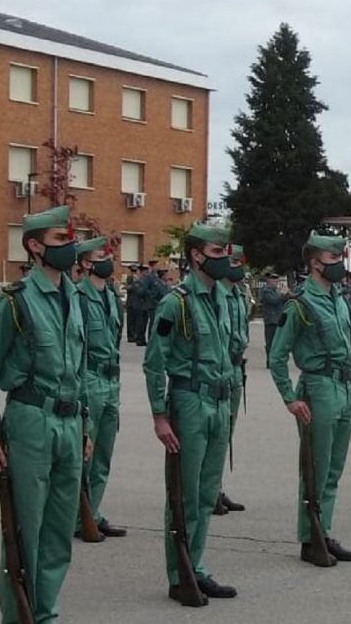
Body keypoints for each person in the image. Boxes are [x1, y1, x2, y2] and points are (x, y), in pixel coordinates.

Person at [0, 205, 88, 622]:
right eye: (61, 241)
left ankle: (44, 612)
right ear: (34, 246)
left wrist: (85, 424)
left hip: (68, 420)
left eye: (70, 239)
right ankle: (18, 617)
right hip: (30, 419)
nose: (70, 247)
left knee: (60, 533)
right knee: (25, 530)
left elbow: (80, 368)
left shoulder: (73, 297)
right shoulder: (14, 302)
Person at [143, 222, 238, 602]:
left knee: (206, 492)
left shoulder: (223, 298)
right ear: (197, 255)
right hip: (189, 401)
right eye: (217, 254)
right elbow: (154, 361)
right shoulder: (176, 302)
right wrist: (159, 414)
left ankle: (195, 566)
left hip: (218, 400)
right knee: (184, 494)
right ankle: (179, 572)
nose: (224, 260)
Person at [268, 233, 351, 564]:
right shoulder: (300, 304)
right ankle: (309, 539)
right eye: (332, 260)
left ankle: (324, 530)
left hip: (342, 386)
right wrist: (289, 397)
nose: (338, 265)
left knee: (334, 468)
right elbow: (276, 356)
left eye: (340, 259)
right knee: (316, 469)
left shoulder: (339, 297)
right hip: (318, 387)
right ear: (314, 263)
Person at [73, 237, 128, 540]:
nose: (108, 259)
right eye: (100, 255)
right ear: (84, 263)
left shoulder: (110, 296)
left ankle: (92, 512)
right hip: (90, 379)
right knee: (85, 453)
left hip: (111, 381)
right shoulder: (78, 297)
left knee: (104, 453)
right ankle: (77, 517)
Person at [214, 245, 250, 516]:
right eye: (234, 261)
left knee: (226, 433)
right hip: (219, 370)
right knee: (214, 435)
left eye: (241, 261)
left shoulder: (238, 294)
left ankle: (216, 486)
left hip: (237, 368)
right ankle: (208, 491)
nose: (238, 266)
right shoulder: (216, 295)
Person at [260, 273, 286, 357]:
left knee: (276, 341)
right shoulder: (266, 291)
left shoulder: (275, 291)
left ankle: (273, 358)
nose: (276, 282)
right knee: (270, 341)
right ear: (269, 280)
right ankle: (270, 359)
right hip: (271, 319)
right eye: (274, 280)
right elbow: (273, 301)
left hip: (277, 319)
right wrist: (282, 295)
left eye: (277, 280)